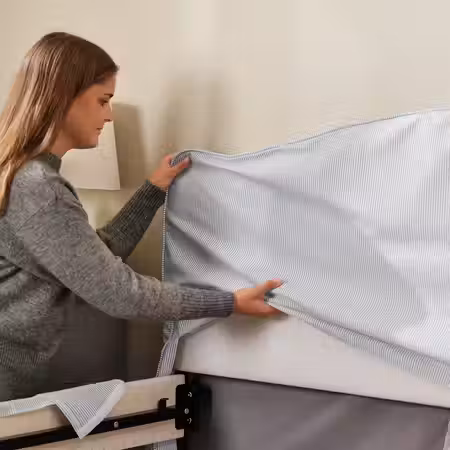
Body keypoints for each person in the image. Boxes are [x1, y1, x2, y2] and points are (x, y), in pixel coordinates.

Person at [0, 32, 282, 401]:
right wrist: (229, 302)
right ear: (64, 96)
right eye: (103, 101)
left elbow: (92, 257)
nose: (109, 115)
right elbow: (121, 293)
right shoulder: (39, 187)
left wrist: (152, 191)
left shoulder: (22, 175)